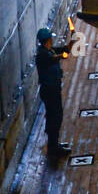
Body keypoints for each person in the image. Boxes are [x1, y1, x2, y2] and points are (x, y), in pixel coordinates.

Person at [36, 27, 73, 158]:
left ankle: (55, 144)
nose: (52, 39)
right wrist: (63, 55)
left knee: (56, 116)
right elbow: (55, 58)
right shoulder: (42, 55)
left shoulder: (48, 50)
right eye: (51, 38)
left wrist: (70, 44)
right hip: (49, 92)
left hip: (53, 90)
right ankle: (53, 148)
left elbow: (63, 51)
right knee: (54, 118)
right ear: (47, 40)